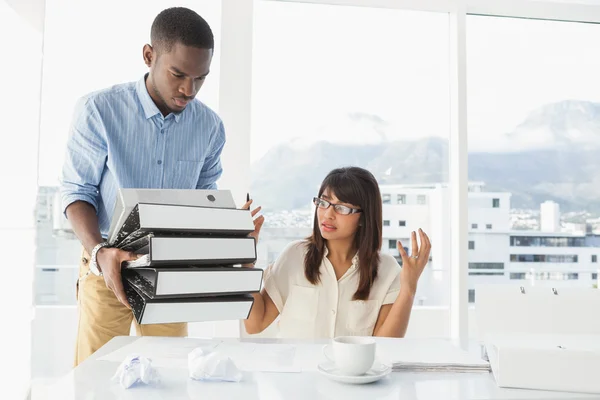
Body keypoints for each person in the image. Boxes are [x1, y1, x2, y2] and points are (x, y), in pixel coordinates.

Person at [60, 7, 224, 366]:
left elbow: (203, 200)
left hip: (169, 271)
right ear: (149, 55)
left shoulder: (210, 127)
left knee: (170, 372)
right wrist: (100, 251)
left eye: (200, 78)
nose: (188, 89)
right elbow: (77, 193)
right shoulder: (98, 110)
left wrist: (230, 232)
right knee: (94, 377)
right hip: (106, 264)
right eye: (178, 74)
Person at [243, 167, 431, 338]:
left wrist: (409, 288)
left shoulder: (387, 270)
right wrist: (245, 256)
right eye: (324, 203)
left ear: (364, 218)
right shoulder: (294, 256)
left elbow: (386, 344)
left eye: (341, 208)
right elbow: (254, 324)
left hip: (354, 376)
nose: (328, 214)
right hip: (300, 374)